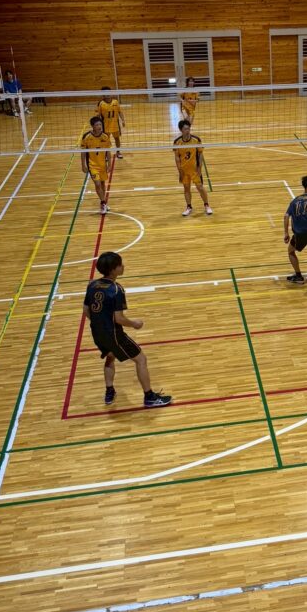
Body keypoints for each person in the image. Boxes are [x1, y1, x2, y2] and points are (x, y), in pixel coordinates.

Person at [83, 251, 171, 409]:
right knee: (141, 359)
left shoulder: (92, 285)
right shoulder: (116, 289)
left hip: (97, 333)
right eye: (120, 265)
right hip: (114, 334)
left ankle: (109, 391)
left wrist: (99, 323)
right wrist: (134, 323)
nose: (123, 266)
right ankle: (149, 397)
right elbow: (119, 318)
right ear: (113, 270)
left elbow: (86, 310)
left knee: (110, 357)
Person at [283, 175, 307, 292]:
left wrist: (286, 233)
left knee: (291, 251)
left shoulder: (294, 201)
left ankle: (298, 276)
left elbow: (286, 216)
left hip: (299, 233)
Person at [173, 118, 213, 217]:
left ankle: (207, 205)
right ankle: (189, 207)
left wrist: (199, 168)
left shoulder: (196, 140)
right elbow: (177, 158)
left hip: (194, 169)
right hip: (184, 170)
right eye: (185, 129)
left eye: (188, 128)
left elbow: (200, 154)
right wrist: (180, 171)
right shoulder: (177, 142)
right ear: (181, 130)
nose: (187, 131)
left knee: (200, 187)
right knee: (186, 188)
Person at [80, 115, 111, 215]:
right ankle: (103, 203)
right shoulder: (87, 137)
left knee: (102, 184)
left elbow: (108, 152)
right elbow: (83, 152)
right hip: (92, 165)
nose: (99, 126)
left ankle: (103, 202)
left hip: (102, 165)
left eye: (100, 124)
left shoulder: (105, 136)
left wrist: (109, 164)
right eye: (97, 125)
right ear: (93, 126)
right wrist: (83, 165)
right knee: (97, 184)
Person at [96, 87, 125, 159]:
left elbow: (120, 112)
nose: (108, 95)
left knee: (117, 139)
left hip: (115, 125)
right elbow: (98, 115)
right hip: (105, 126)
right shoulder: (101, 103)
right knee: (105, 140)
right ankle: (106, 153)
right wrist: (97, 125)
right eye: (106, 93)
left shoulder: (115, 102)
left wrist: (123, 120)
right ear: (103, 95)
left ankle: (118, 152)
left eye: (109, 93)